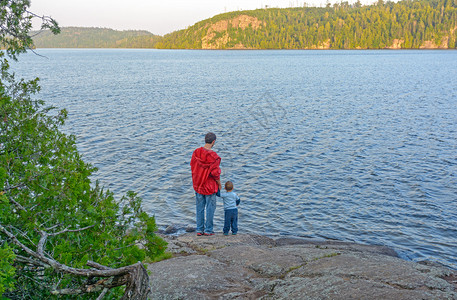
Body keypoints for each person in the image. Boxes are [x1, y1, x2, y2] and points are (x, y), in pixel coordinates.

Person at [190, 132, 221, 236]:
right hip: (209, 186)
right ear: (213, 142)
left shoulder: (196, 152)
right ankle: (208, 230)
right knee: (210, 208)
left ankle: (199, 229)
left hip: (198, 185)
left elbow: (192, 166)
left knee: (199, 208)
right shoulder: (213, 156)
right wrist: (219, 184)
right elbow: (215, 173)